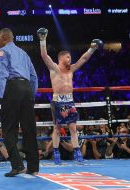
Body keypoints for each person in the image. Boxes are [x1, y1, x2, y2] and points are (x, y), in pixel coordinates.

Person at [37, 27, 102, 164]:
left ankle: (77, 152)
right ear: (61, 58)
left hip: (70, 101)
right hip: (57, 101)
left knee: (73, 127)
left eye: (70, 57)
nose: (70, 58)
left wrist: (92, 48)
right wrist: (43, 40)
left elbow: (83, 59)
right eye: (68, 56)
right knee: (57, 128)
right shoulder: (54, 68)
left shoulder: (71, 69)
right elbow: (44, 56)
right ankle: (56, 152)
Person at [0, 28, 39, 176]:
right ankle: (33, 167)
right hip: (26, 89)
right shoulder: (23, 53)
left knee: (9, 129)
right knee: (29, 129)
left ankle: (17, 165)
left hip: (12, 88)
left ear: (4, 37)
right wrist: (31, 95)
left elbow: (2, 73)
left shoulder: (2, 51)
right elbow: (34, 76)